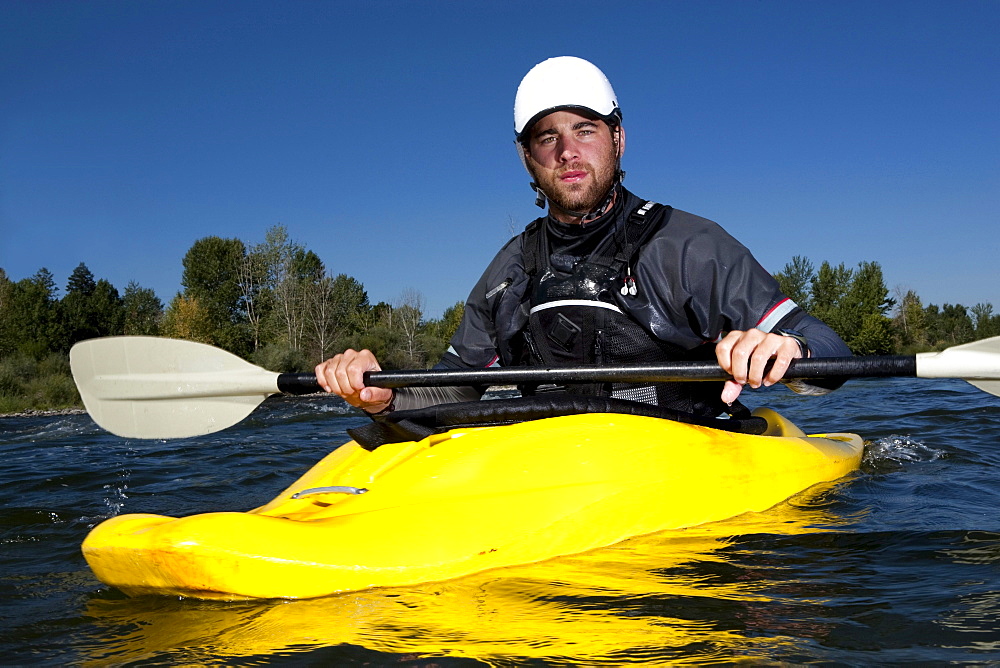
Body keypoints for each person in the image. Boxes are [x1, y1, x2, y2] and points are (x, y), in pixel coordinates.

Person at [316, 56, 850, 418]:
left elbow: (831, 356)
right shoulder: (509, 273)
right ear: (527, 158)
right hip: (562, 474)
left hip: (690, 459)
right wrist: (384, 392)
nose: (568, 151)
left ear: (618, 138)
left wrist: (785, 346)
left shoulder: (690, 246)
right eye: (547, 138)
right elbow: (452, 392)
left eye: (585, 130)